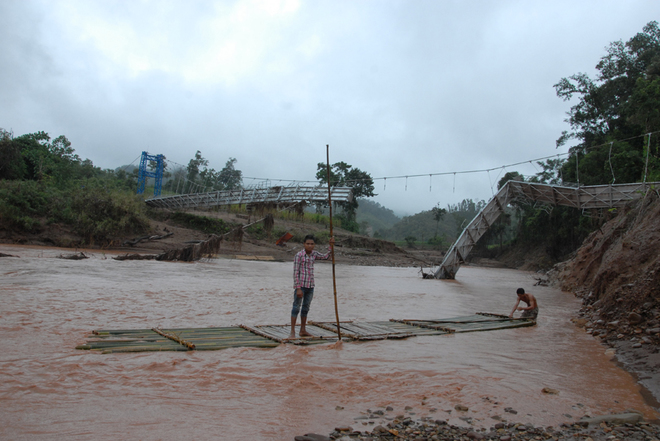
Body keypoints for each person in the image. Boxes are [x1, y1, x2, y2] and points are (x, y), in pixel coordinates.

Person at [289, 234, 335, 339]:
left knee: (306, 308)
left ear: (314, 245)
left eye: (312, 244)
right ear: (304, 244)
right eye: (308, 244)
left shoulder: (314, 254)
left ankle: (302, 330)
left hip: (310, 286)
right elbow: (295, 273)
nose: (310, 246)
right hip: (301, 286)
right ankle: (292, 332)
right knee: (296, 307)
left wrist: (331, 246)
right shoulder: (299, 255)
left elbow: (326, 257)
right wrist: (298, 288)